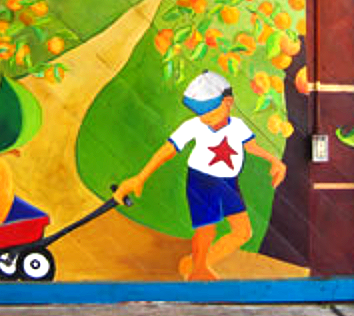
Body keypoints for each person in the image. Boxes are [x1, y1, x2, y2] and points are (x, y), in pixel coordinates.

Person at [114, 70, 287, 281]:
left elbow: (251, 146)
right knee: (206, 229)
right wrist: (140, 177)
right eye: (201, 114)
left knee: (243, 232)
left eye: (210, 113)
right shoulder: (194, 126)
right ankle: (198, 270)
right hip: (201, 181)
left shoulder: (238, 126)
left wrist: (274, 160)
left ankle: (196, 263)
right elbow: (168, 150)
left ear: (228, 102)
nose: (206, 119)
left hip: (228, 182)